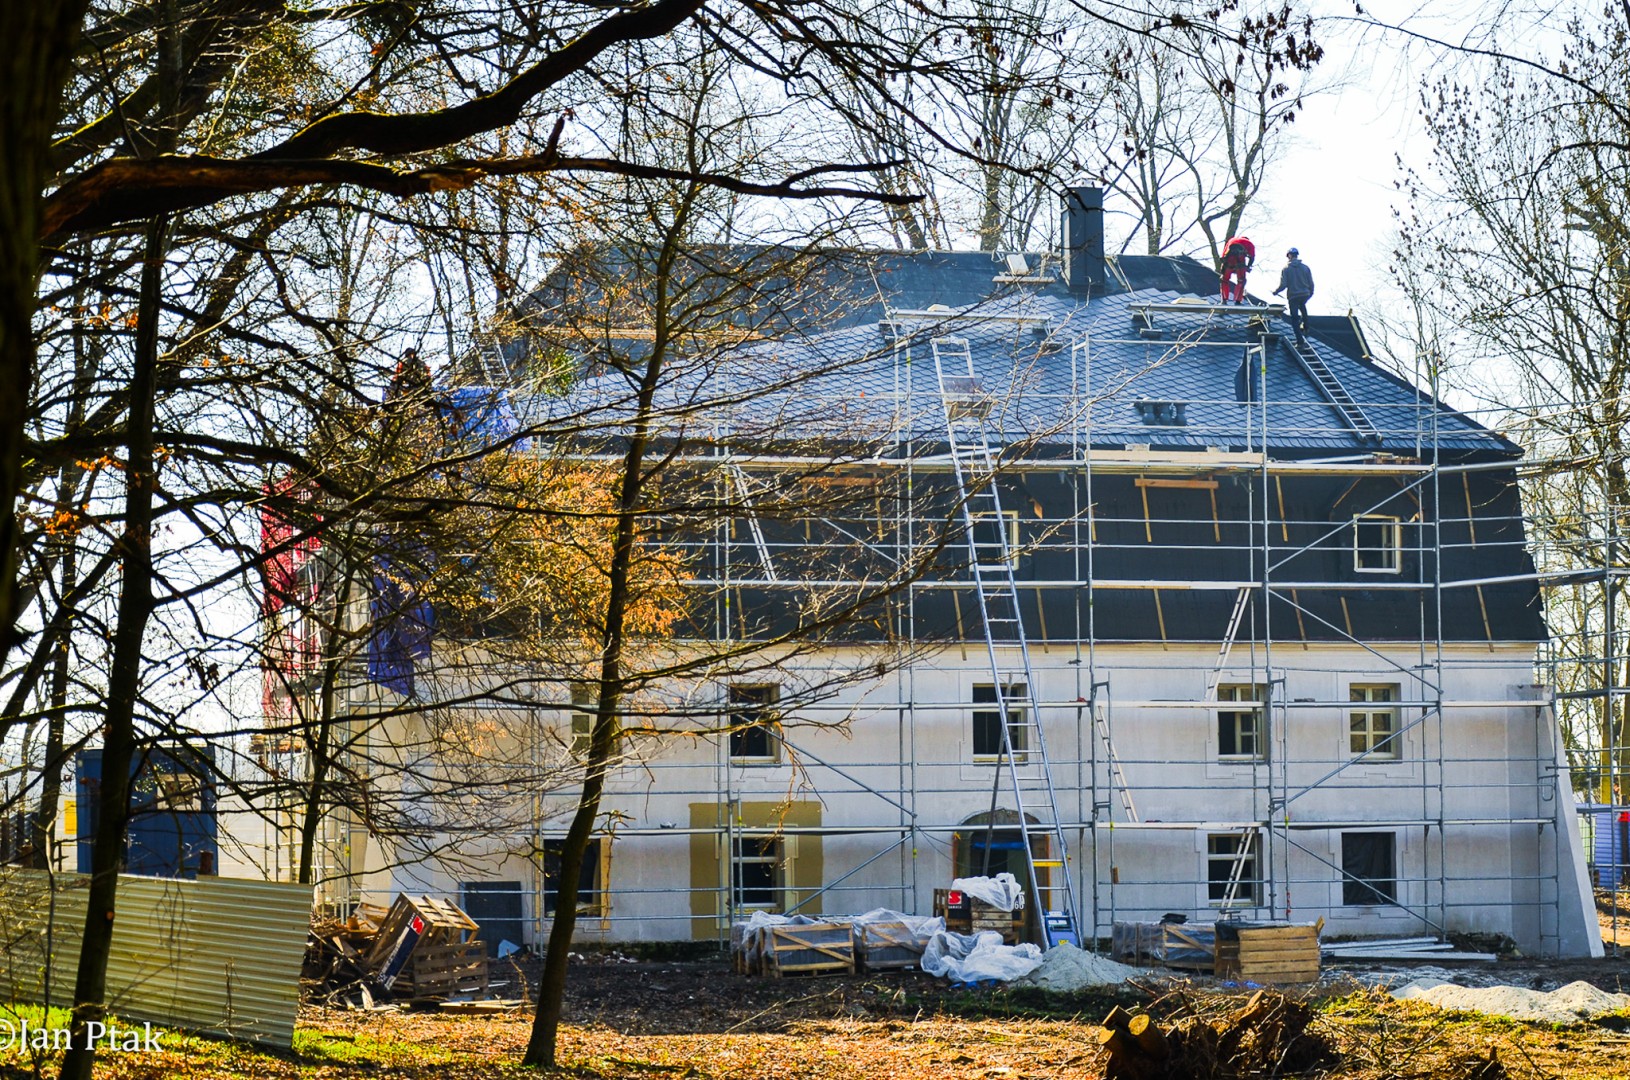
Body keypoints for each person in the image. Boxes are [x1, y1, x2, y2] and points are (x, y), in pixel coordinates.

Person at [1273, 248, 1314, 344]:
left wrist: (1276, 292)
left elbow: (1283, 285)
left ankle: (1300, 341)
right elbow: (1311, 283)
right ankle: (1306, 326)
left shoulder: (1286, 269)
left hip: (1293, 296)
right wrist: (1310, 293)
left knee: (1294, 318)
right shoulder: (1305, 268)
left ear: (1289, 256)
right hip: (1305, 294)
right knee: (1303, 307)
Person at [1219, 235, 1255, 303]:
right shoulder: (1249, 243)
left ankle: (1224, 300)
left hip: (1229, 259)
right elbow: (1252, 258)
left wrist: (1223, 269)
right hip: (1240, 260)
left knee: (1224, 279)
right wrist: (1248, 266)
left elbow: (1223, 255)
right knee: (1241, 281)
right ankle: (1237, 301)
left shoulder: (1232, 240)